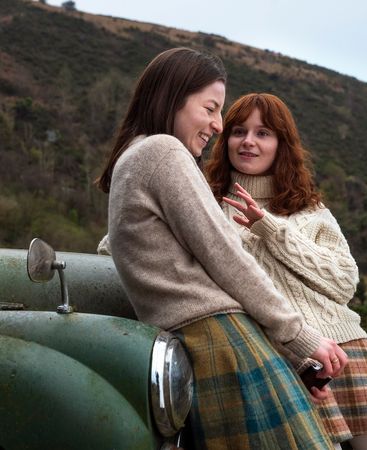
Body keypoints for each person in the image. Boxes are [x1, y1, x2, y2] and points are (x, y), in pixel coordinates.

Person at [95, 48, 346, 450]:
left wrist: (291, 355)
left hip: (201, 342)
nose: (216, 124)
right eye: (210, 108)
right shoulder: (163, 152)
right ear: (173, 98)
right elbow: (226, 258)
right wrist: (301, 338)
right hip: (221, 342)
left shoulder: (134, 157)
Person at [205, 93, 367, 450]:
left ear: (281, 144)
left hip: (346, 349)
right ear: (226, 140)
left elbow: (344, 282)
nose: (248, 142)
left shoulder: (309, 209)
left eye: (263, 133)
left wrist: (269, 228)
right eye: (239, 131)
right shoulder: (203, 202)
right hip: (279, 356)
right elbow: (121, 240)